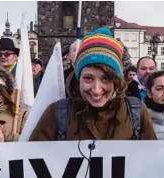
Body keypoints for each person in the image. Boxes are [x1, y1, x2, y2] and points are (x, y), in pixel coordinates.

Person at [28, 27, 156, 142]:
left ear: (116, 80)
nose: (96, 90)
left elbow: (152, 163)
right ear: (79, 79)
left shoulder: (136, 112)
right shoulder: (56, 114)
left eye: (106, 79)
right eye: (88, 78)